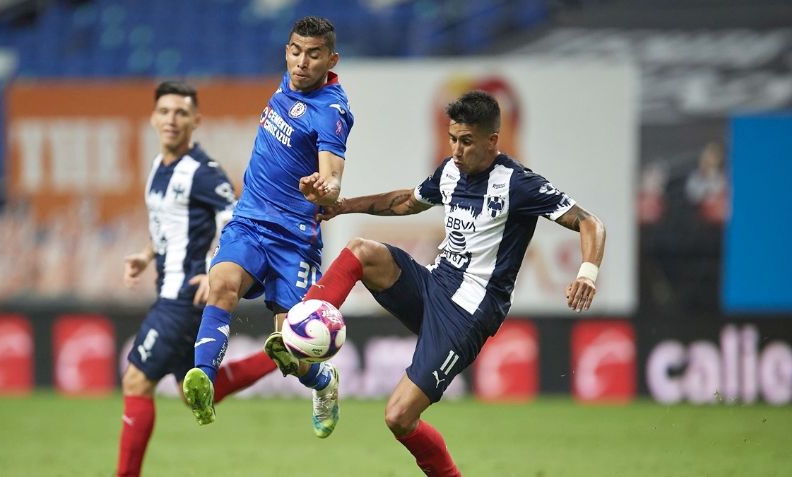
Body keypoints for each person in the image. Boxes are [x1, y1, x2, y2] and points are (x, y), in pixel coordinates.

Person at [301, 90, 606, 475]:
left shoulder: (518, 183)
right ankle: (305, 322)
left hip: (467, 314)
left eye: (466, 141)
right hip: (433, 285)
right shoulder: (449, 172)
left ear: (492, 140)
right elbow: (405, 202)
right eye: (452, 139)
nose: (457, 150)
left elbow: (589, 222)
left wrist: (587, 272)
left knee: (398, 417)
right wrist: (343, 206)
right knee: (362, 251)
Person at [182, 16, 355, 439]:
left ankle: (322, 381)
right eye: (295, 51)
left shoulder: (332, 112)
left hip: (295, 240)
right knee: (221, 282)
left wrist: (325, 189)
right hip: (250, 220)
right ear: (286, 51)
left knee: (293, 354)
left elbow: (333, 178)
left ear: (331, 59)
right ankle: (203, 376)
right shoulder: (288, 82)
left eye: (314, 55)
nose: (301, 62)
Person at [116, 81, 278, 477]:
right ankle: (283, 352)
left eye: (181, 113)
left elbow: (235, 220)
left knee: (136, 381)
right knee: (199, 391)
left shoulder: (203, 173)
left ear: (196, 120)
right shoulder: (158, 167)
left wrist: (213, 268)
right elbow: (169, 227)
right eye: (166, 112)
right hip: (169, 288)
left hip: (182, 296)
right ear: (154, 118)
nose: (172, 120)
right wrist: (147, 254)